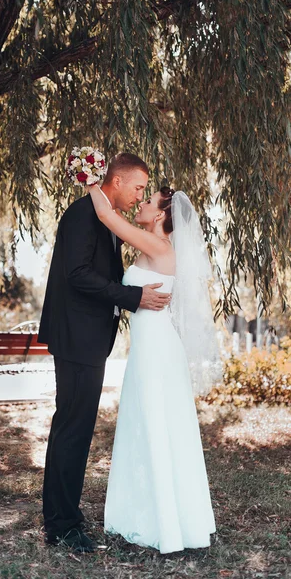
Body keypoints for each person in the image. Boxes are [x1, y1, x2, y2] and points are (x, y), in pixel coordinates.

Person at [38, 153, 171, 553]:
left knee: (77, 429)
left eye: (145, 191)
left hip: (89, 338)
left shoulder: (107, 218)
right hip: (76, 338)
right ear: (116, 180)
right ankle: (62, 526)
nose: (139, 195)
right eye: (138, 187)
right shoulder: (83, 215)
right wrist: (134, 297)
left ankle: (65, 517)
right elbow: (77, 274)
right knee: (72, 429)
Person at [88, 183, 219, 553]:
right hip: (149, 348)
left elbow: (105, 215)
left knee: (158, 424)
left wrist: (90, 178)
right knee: (148, 424)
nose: (140, 204)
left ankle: (166, 523)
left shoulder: (159, 246)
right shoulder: (154, 246)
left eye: (147, 201)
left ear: (160, 214)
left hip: (157, 350)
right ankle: (147, 514)